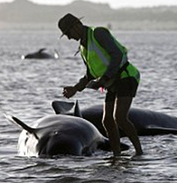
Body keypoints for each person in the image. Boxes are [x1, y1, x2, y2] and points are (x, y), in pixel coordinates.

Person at [58, 13, 143, 157]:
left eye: (68, 33)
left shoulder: (98, 33)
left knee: (120, 117)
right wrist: (75, 88)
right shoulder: (83, 47)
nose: (69, 37)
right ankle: (116, 156)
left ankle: (139, 152)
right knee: (107, 120)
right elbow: (89, 75)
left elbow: (118, 55)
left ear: (77, 25)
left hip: (126, 77)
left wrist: (104, 79)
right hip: (112, 82)